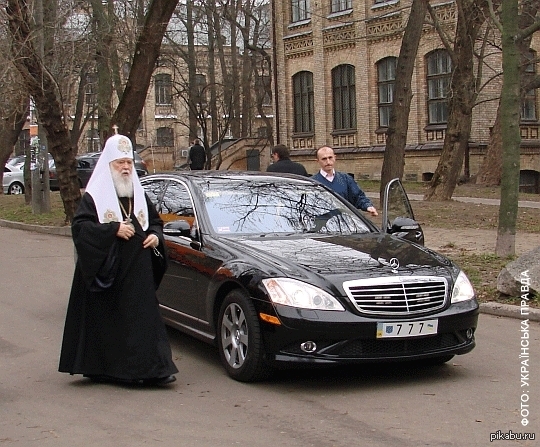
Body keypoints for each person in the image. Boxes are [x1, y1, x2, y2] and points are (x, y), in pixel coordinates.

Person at [59, 134, 178, 386]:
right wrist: (112, 229)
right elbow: (80, 228)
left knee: (144, 321)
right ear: (108, 166)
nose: (125, 167)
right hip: (109, 272)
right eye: (119, 163)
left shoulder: (138, 193)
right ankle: (114, 370)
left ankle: (153, 369)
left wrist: (156, 237)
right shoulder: (94, 196)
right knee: (112, 324)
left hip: (138, 272)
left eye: (128, 162)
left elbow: (155, 222)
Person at [312, 145, 378, 216]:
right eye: (324, 159)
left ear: (335, 158)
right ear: (317, 161)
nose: (328, 162)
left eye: (330, 158)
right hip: (324, 224)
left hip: (346, 222)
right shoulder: (312, 183)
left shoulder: (345, 178)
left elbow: (358, 196)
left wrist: (368, 206)